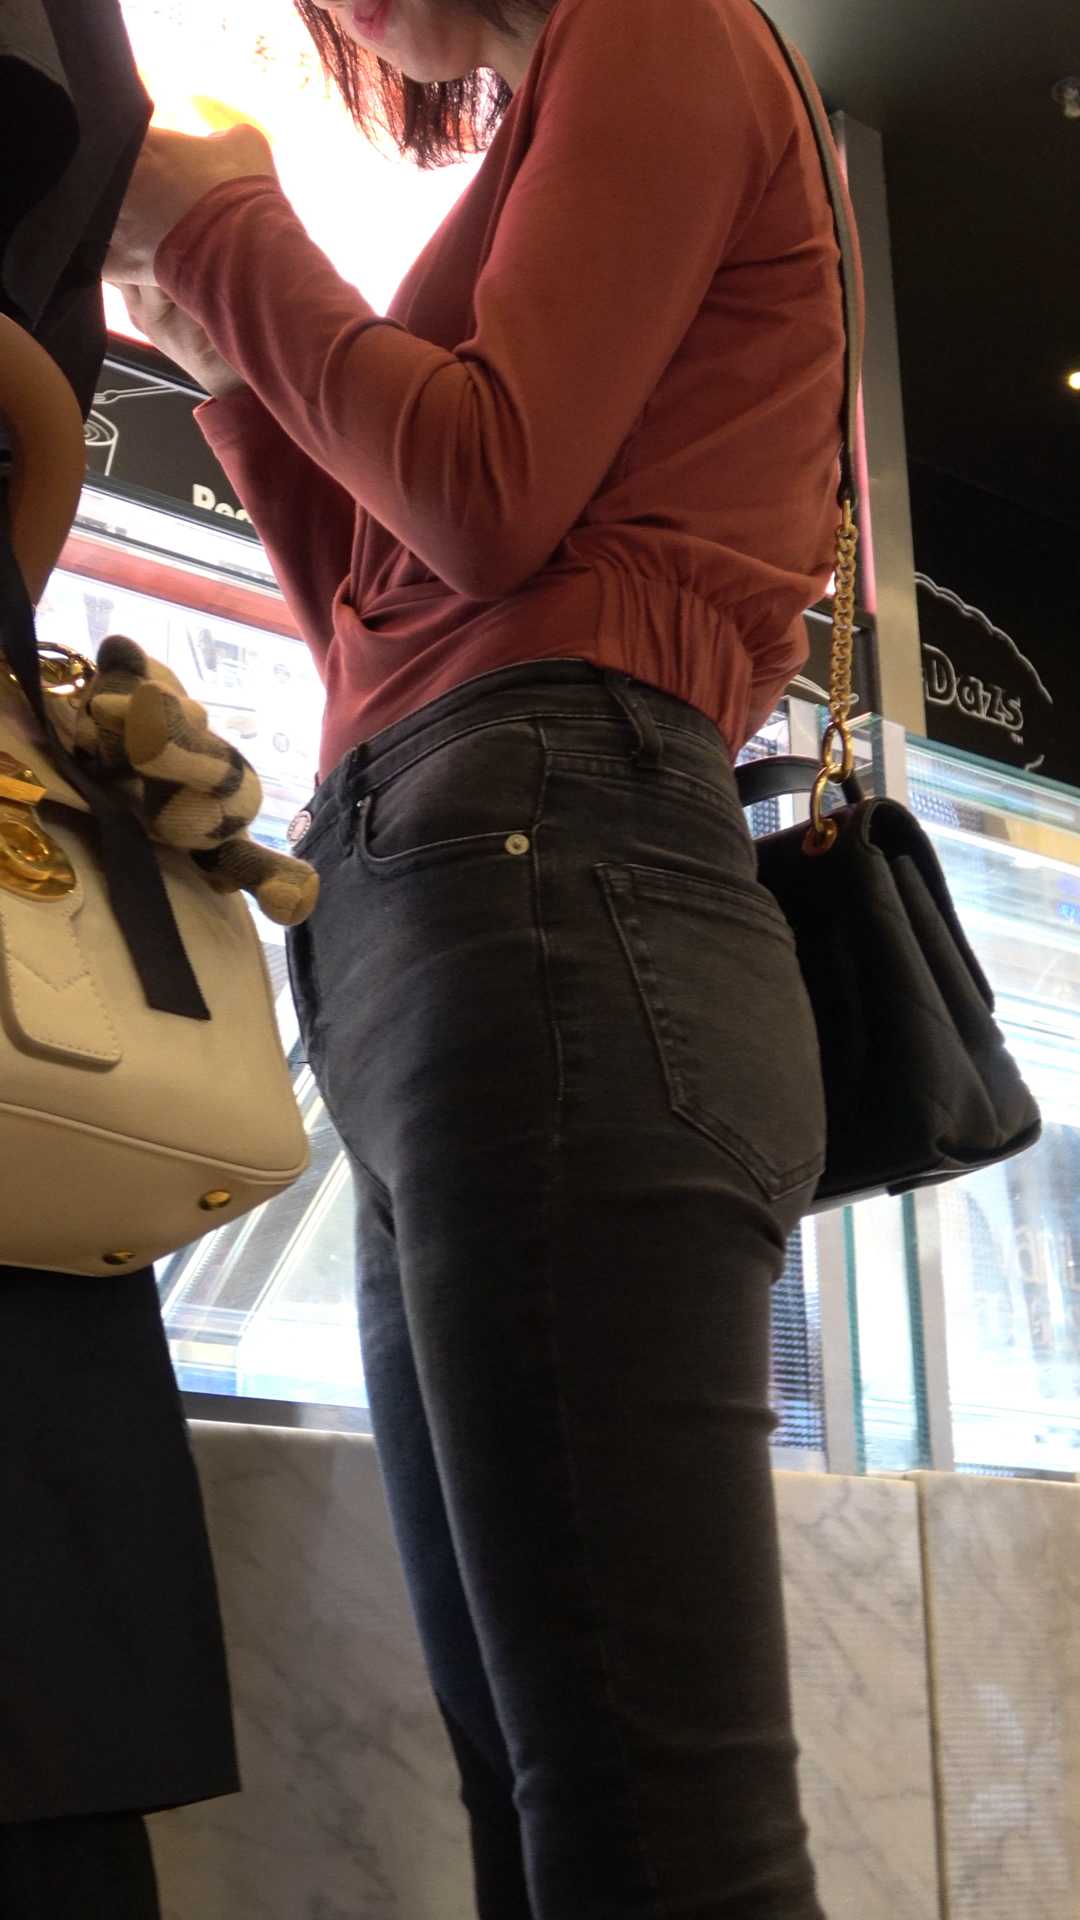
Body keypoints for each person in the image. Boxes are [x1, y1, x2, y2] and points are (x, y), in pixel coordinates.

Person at [105, 0, 864, 1910]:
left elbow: (489, 491)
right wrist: (230, 363)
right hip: (475, 893)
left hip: (549, 875)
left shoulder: (657, 24)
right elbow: (390, 609)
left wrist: (224, 227)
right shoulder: (569, 115)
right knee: (564, 1793)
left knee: (634, 1814)